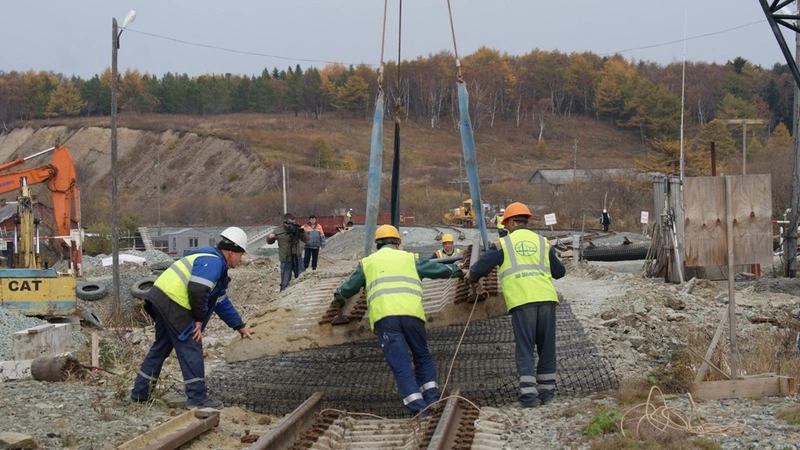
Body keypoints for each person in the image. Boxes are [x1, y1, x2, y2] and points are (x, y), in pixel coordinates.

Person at [333, 224, 464, 416]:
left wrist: (338, 297)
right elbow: (436, 269)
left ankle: (420, 409)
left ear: (377, 244)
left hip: (386, 319)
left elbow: (348, 288)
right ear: (398, 242)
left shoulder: (368, 262)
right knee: (422, 356)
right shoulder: (410, 258)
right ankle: (432, 398)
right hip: (412, 315)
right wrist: (458, 271)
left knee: (401, 363)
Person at [131, 227, 255, 409]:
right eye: (240, 254)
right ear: (230, 253)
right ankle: (197, 399)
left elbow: (221, 302)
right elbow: (197, 290)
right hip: (174, 303)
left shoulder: (212, 262)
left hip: (161, 299)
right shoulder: (213, 262)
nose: (241, 259)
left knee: (161, 348)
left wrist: (239, 326)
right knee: (191, 347)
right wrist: (198, 319)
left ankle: (140, 394)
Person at [466, 202, 566, 408]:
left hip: (523, 301)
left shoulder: (504, 244)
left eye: (506, 224)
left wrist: (469, 276)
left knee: (525, 348)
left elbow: (479, 269)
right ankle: (548, 394)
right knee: (547, 348)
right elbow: (559, 272)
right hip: (547, 299)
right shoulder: (543, 242)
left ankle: (529, 397)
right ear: (526, 221)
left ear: (511, 222)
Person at [268, 213, 309, 291]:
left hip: (297, 257)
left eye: (293, 223)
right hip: (286, 259)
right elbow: (269, 241)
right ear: (285, 221)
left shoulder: (297, 229)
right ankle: (282, 294)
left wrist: (302, 232)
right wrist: (271, 237)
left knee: (301, 279)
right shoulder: (278, 230)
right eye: (290, 223)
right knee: (285, 282)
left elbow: (306, 239)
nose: (292, 225)